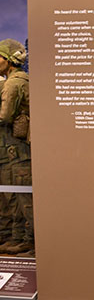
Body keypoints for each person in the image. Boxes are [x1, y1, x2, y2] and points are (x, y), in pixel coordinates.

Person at [0, 39, 33, 257]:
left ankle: (28, 240)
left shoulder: (14, 83)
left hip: (17, 148)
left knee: (21, 195)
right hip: (15, 147)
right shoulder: (15, 80)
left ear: (9, 60)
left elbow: (4, 116)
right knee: (14, 194)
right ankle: (19, 237)